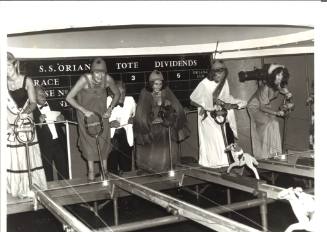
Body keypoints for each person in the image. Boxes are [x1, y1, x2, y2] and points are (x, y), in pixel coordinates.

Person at [66, 57, 120, 181]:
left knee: (103, 146)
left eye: (102, 73)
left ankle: (105, 174)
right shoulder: (84, 80)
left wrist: (110, 108)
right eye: (97, 72)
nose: (100, 76)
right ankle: (91, 175)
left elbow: (117, 94)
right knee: (89, 149)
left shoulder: (108, 80)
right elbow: (69, 97)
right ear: (92, 72)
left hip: (102, 116)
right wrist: (84, 111)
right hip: (86, 117)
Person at [190, 60, 247, 168]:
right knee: (215, 138)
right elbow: (193, 100)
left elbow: (225, 97)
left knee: (223, 137)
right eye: (218, 74)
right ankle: (213, 164)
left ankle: (224, 163)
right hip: (207, 116)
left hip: (219, 113)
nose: (220, 76)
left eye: (223, 73)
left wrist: (232, 103)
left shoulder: (224, 82)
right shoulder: (204, 83)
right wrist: (211, 102)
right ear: (212, 73)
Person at [6, 52, 47, 198]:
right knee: (16, 158)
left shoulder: (27, 81)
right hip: (11, 125)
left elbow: (33, 103)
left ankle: (32, 187)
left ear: (15, 64)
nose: (6, 69)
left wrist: (24, 114)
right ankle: (17, 188)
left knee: (28, 156)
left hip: (26, 124)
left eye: (8, 65)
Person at [134, 70, 190, 173]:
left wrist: (168, 110)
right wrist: (151, 120)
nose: (158, 86)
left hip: (164, 127)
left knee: (166, 150)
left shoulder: (166, 92)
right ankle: (151, 169)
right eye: (155, 84)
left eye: (160, 84)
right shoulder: (145, 93)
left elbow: (176, 108)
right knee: (152, 152)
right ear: (151, 84)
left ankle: (166, 169)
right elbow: (141, 112)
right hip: (151, 128)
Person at [247, 63, 292, 160]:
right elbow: (262, 108)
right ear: (273, 75)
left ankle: (275, 152)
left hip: (264, 105)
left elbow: (283, 90)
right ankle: (264, 154)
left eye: (282, 75)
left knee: (275, 123)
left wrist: (288, 94)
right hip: (254, 107)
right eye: (278, 74)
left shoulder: (278, 85)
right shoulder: (266, 87)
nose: (280, 77)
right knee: (268, 123)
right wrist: (276, 113)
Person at [33, 86, 69, 181]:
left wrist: (63, 118)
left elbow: (66, 116)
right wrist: (39, 123)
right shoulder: (32, 110)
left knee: (64, 171)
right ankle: (50, 193)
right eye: (40, 94)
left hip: (59, 143)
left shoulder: (54, 103)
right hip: (43, 145)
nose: (43, 95)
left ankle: (66, 192)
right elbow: (32, 131)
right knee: (47, 173)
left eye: (44, 93)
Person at [107, 80, 136, 175]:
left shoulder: (130, 100)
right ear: (112, 94)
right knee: (111, 168)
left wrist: (133, 119)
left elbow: (137, 115)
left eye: (124, 92)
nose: (122, 96)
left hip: (125, 136)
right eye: (119, 93)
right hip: (110, 138)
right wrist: (109, 124)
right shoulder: (105, 102)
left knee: (127, 168)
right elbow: (98, 121)